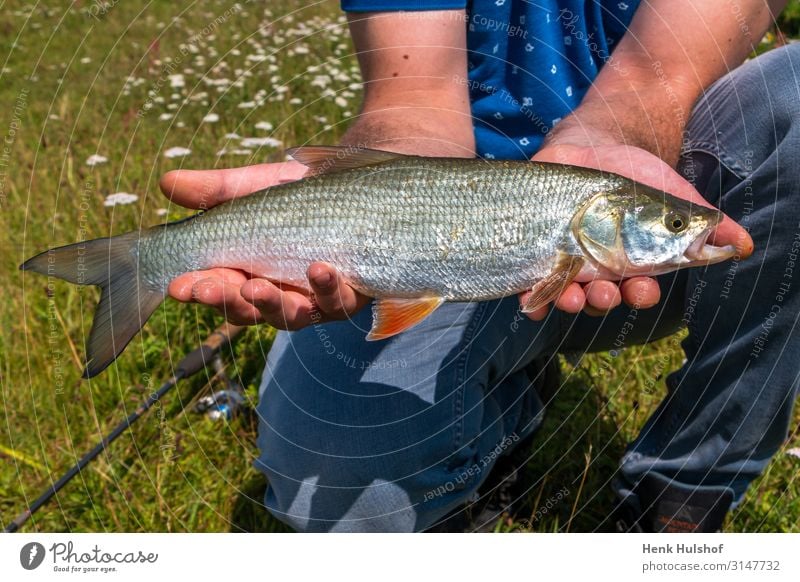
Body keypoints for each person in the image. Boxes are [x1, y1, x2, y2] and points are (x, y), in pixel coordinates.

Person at [159, 0, 798, 532]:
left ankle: (680, 498)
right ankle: (504, 409)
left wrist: (617, 139)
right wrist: (389, 160)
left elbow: (654, 78)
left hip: (682, 161)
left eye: (675, 229)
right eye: (675, 228)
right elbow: (414, 101)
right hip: (439, 217)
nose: (684, 235)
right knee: (341, 501)